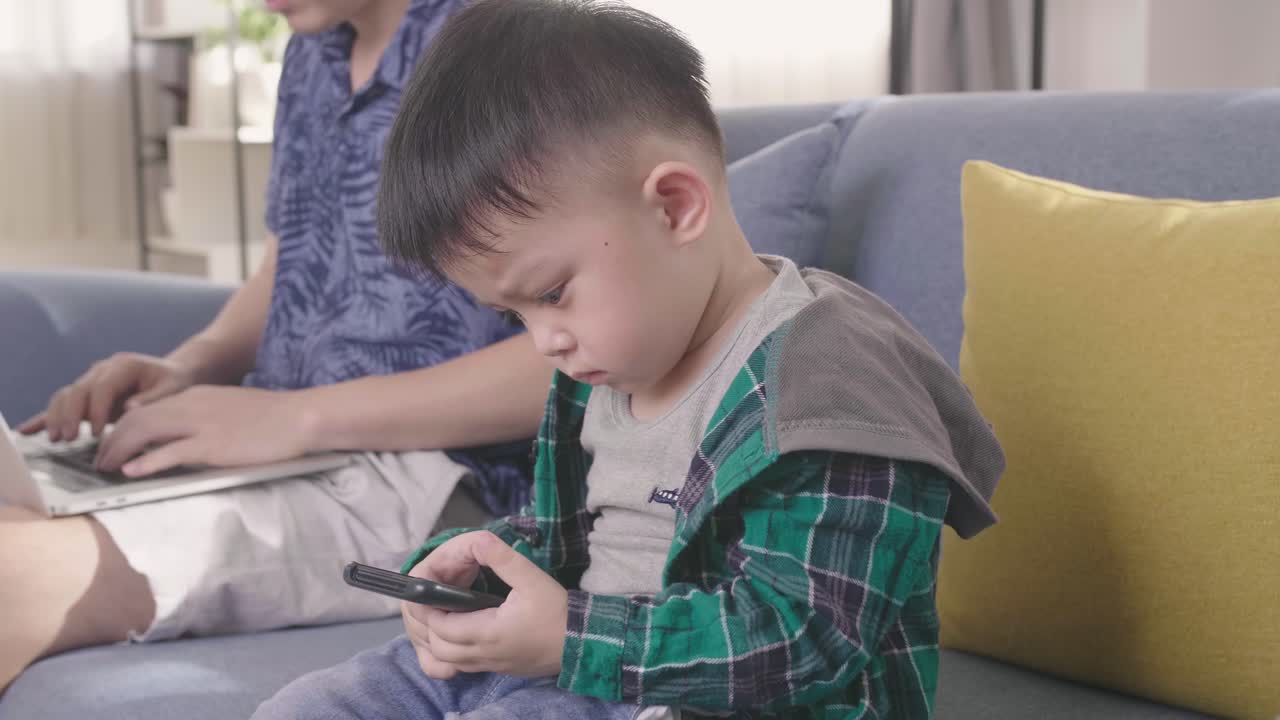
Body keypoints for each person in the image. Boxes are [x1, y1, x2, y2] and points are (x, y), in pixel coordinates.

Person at [253, 1, 1006, 718]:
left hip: (709, 699)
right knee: (308, 707)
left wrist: (571, 637)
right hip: (574, 666)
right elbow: (578, 547)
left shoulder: (830, 383)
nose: (543, 337)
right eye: (515, 313)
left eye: (552, 292)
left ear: (676, 205)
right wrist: (477, 569)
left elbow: (805, 641)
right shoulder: (604, 368)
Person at [0, 0, 552, 691]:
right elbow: (288, 266)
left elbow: (573, 354)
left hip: (441, 481)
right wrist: (190, 364)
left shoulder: (510, 45)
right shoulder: (312, 53)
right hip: (289, 456)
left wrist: (295, 418)